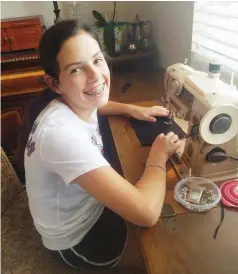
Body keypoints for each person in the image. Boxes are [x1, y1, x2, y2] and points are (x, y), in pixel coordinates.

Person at [23, 20, 181, 270]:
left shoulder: (66, 103)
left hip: (88, 209)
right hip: (77, 241)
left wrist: (132, 109)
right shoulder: (60, 136)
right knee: (165, 250)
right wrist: (158, 157)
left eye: (97, 60)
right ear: (54, 84)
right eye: (76, 70)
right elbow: (146, 214)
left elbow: (95, 102)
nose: (96, 76)